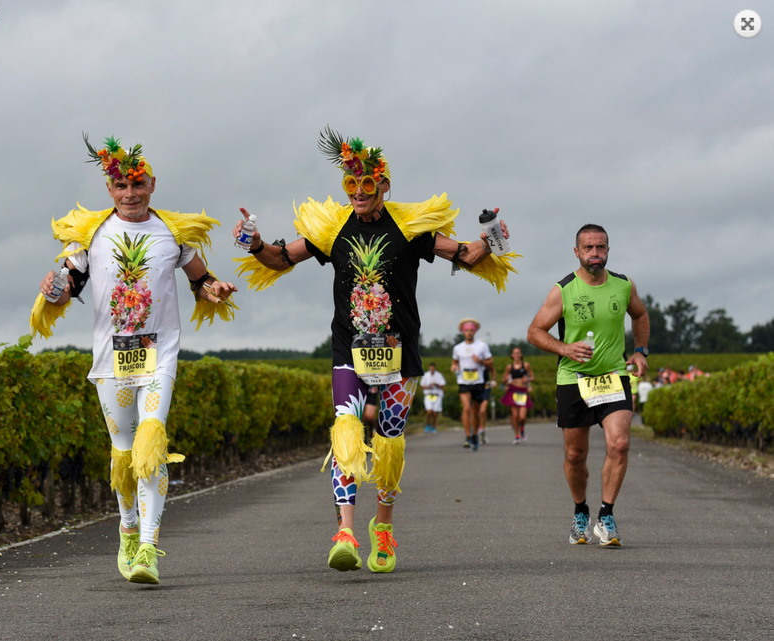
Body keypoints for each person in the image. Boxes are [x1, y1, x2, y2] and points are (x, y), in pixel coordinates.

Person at [232, 126, 516, 573]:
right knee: (346, 432)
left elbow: (467, 255)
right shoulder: (332, 229)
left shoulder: (409, 228)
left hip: (399, 352)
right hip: (349, 350)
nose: (359, 191)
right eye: (351, 183)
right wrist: (254, 243)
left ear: (384, 184)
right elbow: (280, 258)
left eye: (368, 183)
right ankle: (344, 532)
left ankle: (382, 526)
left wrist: (494, 235)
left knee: (388, 443)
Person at [30, 133, 238, 585]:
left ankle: (148, 547)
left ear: (152, 185)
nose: (130, 194)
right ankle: (126, 525)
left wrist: (215, 290)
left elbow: (201, 280)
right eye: (121, 185)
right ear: (109, 188)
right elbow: (67, 284)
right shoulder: (89, 235)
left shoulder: (174, 233)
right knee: (123, 452)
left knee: (150, 442)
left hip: (159, 354)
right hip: (112, 361)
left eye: (137, 185)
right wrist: (54, 291)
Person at [527, 223, 649, 547]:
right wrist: (565, 348)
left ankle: (606, 515)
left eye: (601, 247)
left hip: (613, 376)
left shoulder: (624, 286)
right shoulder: (563, 290)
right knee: (575, 454)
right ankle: (581, 511)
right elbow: (535, 331)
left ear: (608, 250)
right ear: (577, 252)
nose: (595, 253)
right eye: (589, 248)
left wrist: (640, 350)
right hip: (574, 380)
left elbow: (640, 315)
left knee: (620, 444)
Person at [451, 319, 495, 450]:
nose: (469, 333)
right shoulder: (457, 348)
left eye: (471, 330)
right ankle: (467, 435)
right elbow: (454, 362)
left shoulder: (482, 346)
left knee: (476, 412)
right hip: (464, 382)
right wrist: (453, 367)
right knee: (466, 408)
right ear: (463, 332)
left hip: (478, 382)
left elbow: (490, 362)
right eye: (466, 331)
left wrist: (480, 361)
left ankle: (475, 434)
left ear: (474, 332)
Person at [500, 346, 534, 443]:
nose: (517, 355)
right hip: (513, 391)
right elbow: (503, 380)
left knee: (522, 417)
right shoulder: (509, 367)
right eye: (515, 353)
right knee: (515, 416)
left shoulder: (526, 365)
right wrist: (506, 380)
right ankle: (517, 435)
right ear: (512, 355)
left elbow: (532, 377)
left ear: (521, 355)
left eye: (518, 353)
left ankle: (522, 428)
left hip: (523, 392)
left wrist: (527, 380)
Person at [420, 362, 447, 433]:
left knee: (435, 413)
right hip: (428, 395)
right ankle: (428, 424)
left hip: (437, 396)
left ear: (435, 368)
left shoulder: (439, 375)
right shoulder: (425, 375)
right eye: (431, 367)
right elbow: (422, 386)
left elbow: (443, 385)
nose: (432, 369)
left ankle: (434, 426)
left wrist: (436, 384)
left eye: (433, 368)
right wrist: (429, 386)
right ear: (429, 368)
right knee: (429, 411)